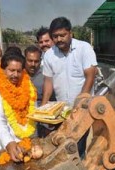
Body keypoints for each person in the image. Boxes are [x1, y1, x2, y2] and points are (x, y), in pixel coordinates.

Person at [42, 17, 98, 157]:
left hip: (82, 108)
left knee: (78, 144)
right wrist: (43, 108)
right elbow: (48, 82)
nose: (59, 39)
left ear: (70, 33)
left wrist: (80, 103)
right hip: (61, 110)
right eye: (55, 36)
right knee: (62, 144)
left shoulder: (84, 48)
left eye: (62, 35)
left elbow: (90, 75)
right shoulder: (49, 55)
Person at [0, 53, 37, 160]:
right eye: (11, 70)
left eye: (19, 71)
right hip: (2, 148)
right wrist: (8, 142)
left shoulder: (28, 87)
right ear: (3, 70)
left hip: (25, 146)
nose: (16, 75)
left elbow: (32, 114)